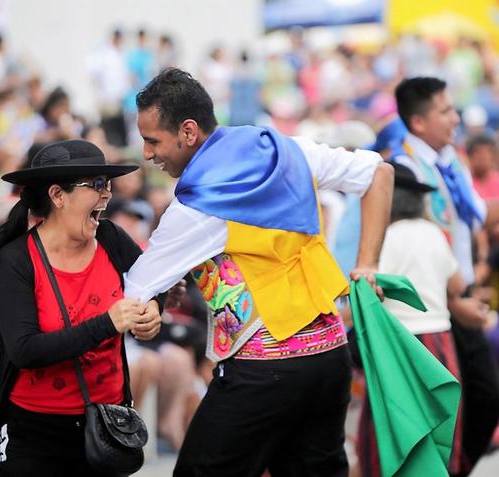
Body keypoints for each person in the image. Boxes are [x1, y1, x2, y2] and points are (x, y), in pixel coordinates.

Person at [124, 68, 393, 476]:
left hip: (264, 369)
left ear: (189, 132)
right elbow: (380, 174)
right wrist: (368, 263)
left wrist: (153, 300)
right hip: (330, 357)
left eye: (152, 140)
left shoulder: (195, 206)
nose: (147, 153)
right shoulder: (285, 149)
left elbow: (133, 291)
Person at [0, 140, 169, 476]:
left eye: (109, 185)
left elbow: (155, 281)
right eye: (97, 185)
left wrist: (154, 310)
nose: (107, 195)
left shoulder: (112, 238)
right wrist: (107, 324)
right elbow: (25, 350)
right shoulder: (16, 260)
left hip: (104, 427)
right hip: (35, 437)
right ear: (58, 196)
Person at [393, 77, 499, 474]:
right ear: (419, 122)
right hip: (432, 307)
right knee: (444, 409)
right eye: (445, 111)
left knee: (482, 400)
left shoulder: (451, 162)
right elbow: (415, 246)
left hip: (459, 295)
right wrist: (456, 302)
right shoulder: (404, 170)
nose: (455, 118)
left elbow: (477, 215)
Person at [357, 163, 469, 476]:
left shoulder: (383, 238)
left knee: (394, 426)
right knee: (439, 423)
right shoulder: (433, 233)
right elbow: (458, 285)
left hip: (400, 346)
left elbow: (369, 290)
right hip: (438, 342)